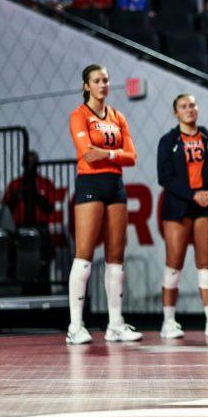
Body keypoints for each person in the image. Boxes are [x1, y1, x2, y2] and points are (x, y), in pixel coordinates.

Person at [66, 64, 141, 345]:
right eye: (97, 81)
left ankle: (116, 324)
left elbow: (132, 157)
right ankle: (75, 325)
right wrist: (115, 154)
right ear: (86, 85)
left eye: (106, 80)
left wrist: (107, 153)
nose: (102, 85)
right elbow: (87, 154)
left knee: (116, 258)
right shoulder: (79, 115)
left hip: (115, 185)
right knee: (84, 255)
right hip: (90, 184)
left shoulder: (118, 116)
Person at [157, 94, 208, 339]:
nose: (189, 109)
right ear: (176, 112)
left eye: (192, 105)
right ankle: (169, 321)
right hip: (178, 206)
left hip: (206, 206)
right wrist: (192, 195)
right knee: (173, 265)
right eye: (183, 106)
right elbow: (165, 177)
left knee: (206, 266)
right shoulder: (168, 141)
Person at [1, 150, 56, 227]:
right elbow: (5, 208)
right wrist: (17, 196)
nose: (30, 165)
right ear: (23, 164)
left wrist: (34, 194)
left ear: (37, 164)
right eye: (27, 162)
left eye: (33, 162)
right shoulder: (15, 184)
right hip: (19, 226)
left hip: (40, 226)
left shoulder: (46, 183)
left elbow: (49, 209)